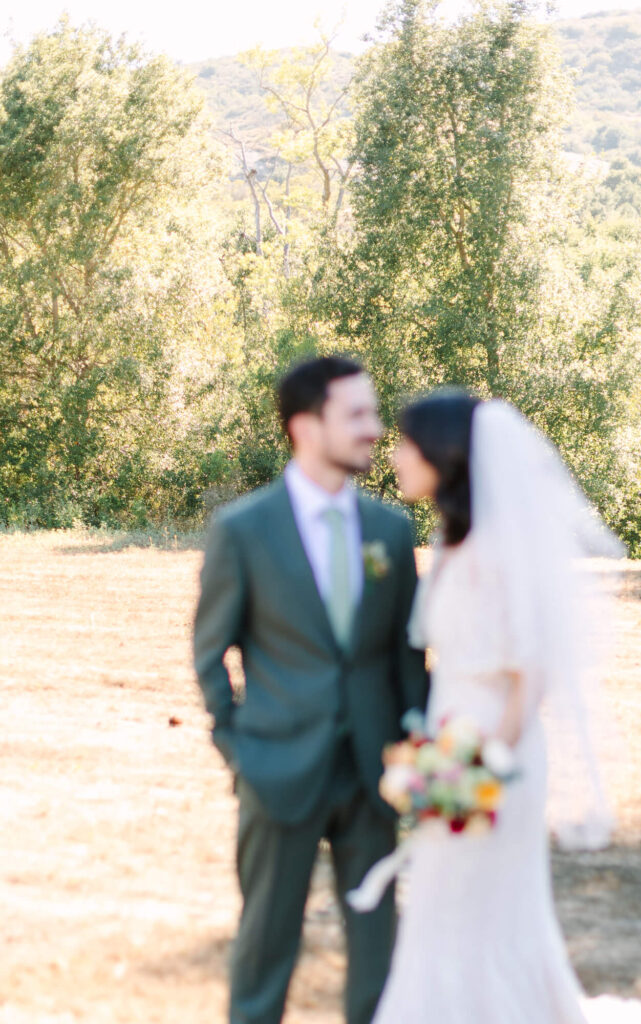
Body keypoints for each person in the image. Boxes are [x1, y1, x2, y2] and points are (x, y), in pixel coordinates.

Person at [370, 390, 641, 1024]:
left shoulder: (498, 552)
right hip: (451, 743)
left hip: (492, 754)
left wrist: (481, 764)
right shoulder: (450, 543)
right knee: (444, 909)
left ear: (444, 455)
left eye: (407, 443)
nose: (395, 455)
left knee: (482, 910)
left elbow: (533, 673)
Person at [193, 355, 428, 1024]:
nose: (374, 429)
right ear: (304, 426)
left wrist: (416, 746)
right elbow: (210, 651)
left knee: (379, 958)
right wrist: (238, 747)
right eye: (356, 415)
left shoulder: (390, 530)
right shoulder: (243, 529)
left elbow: (407, 656)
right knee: (265, 951)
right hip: (278, 767)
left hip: (374, 774)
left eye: (373, 413)